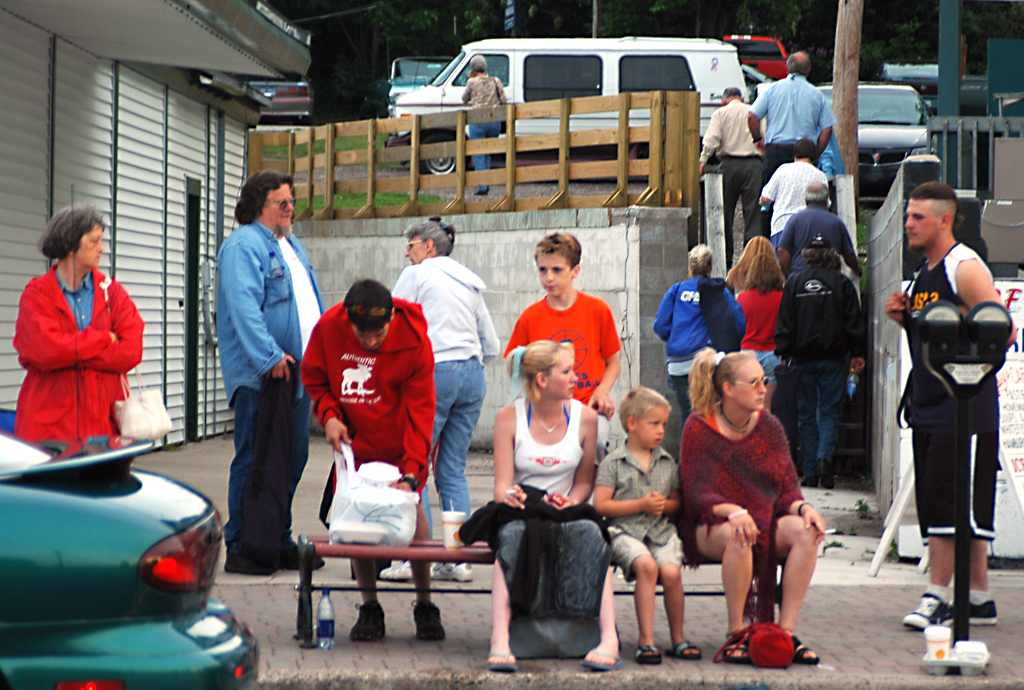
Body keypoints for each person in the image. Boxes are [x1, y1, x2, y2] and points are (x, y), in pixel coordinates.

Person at [885, 181, 1015, 629]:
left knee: (948, 503)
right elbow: (934, 335)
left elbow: (1003, 330)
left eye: (917, 217)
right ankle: (978, 597)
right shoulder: (926, 270)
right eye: (907, 216)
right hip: (928, 402)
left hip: (964, 406)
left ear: (945, 219)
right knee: (951, 501)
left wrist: (956, 325)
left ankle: (938, 595)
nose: (908, 224)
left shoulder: (964, 265)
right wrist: (908, 320)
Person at [301, 279, 445, 642]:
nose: (369, 342)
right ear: (348, 320)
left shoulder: (414, 342)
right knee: (356, 519)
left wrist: (413, 473)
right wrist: (329, 414)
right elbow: (315, 378)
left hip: (398, 443)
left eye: (377, 335)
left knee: (414, 514)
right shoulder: (330, 327)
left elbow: (421, 412)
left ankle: (424, 602)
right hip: (355, 442)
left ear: (392, 318)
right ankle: (370, 606)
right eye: (361, 335)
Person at [679, 348, 826, 665]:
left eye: (765, 380)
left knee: (806, 532)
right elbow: (695, 493)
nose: (764, 388)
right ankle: (737, 633)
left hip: (763, 521)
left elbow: (787, 488)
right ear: (729, 389)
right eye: (754, 382)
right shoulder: (699, 426)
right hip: (711, 526)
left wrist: (804, 509)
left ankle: (782, 634)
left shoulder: (769, 426)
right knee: (739, 533)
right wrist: (732, 510)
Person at [488, 340, 620, 672]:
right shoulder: (508, 417)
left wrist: (571, 501)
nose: (576, 377)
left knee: (593, 534)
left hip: (567, 508)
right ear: (543, 380)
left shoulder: (586, 418)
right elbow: (501, 486)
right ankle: (500, 638)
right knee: (512, 536)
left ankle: (609, 637)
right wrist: (510, 496)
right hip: (522, 507)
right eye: (567, 371)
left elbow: (583, 483)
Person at [217, 170, 324, 575]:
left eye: (292, 201)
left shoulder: (290, 243)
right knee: (255, 458)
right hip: (263, 375)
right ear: (260, 205)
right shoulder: (244, 245)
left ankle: (276, 538)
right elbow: (244, 308)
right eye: (283, 203)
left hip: (296, 374)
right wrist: (269, 358)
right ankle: (243, 543)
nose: (290, 208)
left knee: (291, 456)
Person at [386, 217, 500, 584]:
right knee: (451, 469)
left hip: (433, 373)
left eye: (412, 244)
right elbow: (492, 344)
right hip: (472, 374)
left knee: (414, 464)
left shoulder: (416, 275)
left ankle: (412, 556)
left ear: (429, 247)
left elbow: (392, 323)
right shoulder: (469, 282)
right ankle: (456, 557)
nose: (408, 251)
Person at [14, 206, 144, 442]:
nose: (101, 248)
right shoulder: (37, 295)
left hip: (105, 428)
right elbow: (47, 351)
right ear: (68, 245)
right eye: (94, 241)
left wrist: (69, 352)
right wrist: (105, 339)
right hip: (50, 431)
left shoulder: (113, 293)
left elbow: (131, 350)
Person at [593, 387, 700, 665]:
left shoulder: (667, 462)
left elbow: (678, 501)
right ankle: (646, 640)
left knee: (671, 572)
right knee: (647, 567)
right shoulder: (612, 463)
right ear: (631, 424)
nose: (661, 430)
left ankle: (678, 637)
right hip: (624, 531)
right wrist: (640, 505)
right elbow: (601, 506)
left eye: (664, 424)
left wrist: (663, 505)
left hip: (660, 531)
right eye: (654, 423)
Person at [504, 232, 621, 455]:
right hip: (546, 409)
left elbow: (613, 363)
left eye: (557, 270)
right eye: (542, 270)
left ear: (575, 270)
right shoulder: (530, 317)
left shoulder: (598, 310)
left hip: (588, 404)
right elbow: (513, 365)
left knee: (594, 445)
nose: (548, 278)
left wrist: (602, 392)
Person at [775, 237, 865, 489]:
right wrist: (857, 352)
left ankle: (811, 471)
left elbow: (785, 322)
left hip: (802, 359)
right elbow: (853, 322)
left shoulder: (793, 283)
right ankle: (825, 458)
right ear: (830, 258)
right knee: (828, 411)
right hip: (833, 359)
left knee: (806, 414)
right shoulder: (842, 284)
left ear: (806, 258)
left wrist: (784, 351)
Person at [653, 244, 745, 421]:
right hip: (705, 363)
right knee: (710, 416)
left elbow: (660, 326)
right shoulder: (719, 291)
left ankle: (687, 448)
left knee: (688, 417)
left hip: (678, 364)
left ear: (691, 266)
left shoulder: (676, 290)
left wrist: (674, 338)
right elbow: (739, 324)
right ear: (711, 266)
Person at [748, 51, 837, 188]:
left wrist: (757, 139)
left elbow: (752, 116)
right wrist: (816, 153)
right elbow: (827, 128)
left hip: (776, 152)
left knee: (771, 195)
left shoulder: (772, 90)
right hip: (805, 154)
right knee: (803, 196)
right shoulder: (817, 95)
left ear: (787, 67)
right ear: (808, 69)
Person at [699, 86, 762, 265]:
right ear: (742, 99)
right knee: (752, 215)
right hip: (753, 165)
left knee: (724, 214)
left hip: (728, 165)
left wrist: (703, 160)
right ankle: (752, 262)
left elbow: (712, 138)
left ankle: (724, 261)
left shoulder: (720, 113)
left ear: (723, 101)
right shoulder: (754, 111)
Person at [736, 253, 786, 412]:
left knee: (747, 407)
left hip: (747, 353)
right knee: (766, 407)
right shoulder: (782, 298)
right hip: (773, 353)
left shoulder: (742, 298)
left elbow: (737, 327)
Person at [777, 182, 860, 277]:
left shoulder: (795, 220)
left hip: (800, 276)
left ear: (806, 201)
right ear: (826, 202)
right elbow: (849, 256)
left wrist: (790, 274)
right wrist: (857, 268)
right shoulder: (837, 222)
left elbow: (781, 250)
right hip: (830, 278)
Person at [759, 138, 829, 248]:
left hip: (782, 225)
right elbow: (826, 205)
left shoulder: (783, 170)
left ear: (795, 154)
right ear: (814, 156)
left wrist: (763, 201)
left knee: (781, 262)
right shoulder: (820, 176)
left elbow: (766, 198)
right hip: (809, 227)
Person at [462, 55, 507, 196]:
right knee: (487, 152)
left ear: (472, 70)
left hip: (478, 121)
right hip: (494, 122)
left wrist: (470, 79)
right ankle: (486, 182)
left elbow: (464, 99)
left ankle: (482, 186)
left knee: (479, 153)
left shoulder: (472, 82)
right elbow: (504, 100)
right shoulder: (496, 80)